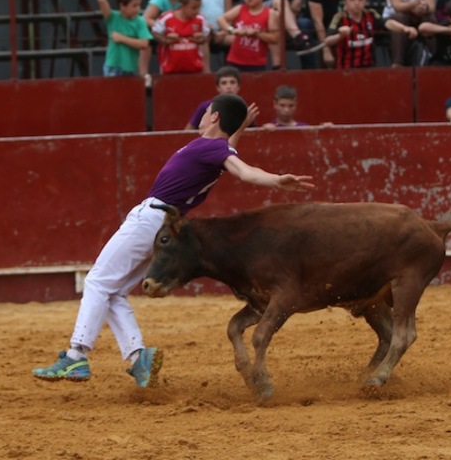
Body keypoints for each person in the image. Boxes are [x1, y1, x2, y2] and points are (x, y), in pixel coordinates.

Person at [31, 92, 313, 386]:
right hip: (161, 223)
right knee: (112, 291)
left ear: (214, 117)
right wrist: (240, 127)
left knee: (97, 282)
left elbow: (245, 171)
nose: (202, 115)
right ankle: (138, 357)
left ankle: (76, 355)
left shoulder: (212, 147)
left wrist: (275, 179)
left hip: (150, 218)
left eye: (207, 111)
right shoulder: (215, 149)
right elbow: (231, 153)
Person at [140, 0, 191, 83]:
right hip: (164, 32)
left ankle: (203, 69)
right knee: (145, 36)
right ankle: (143, 74)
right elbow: (146, 19)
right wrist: (165, 28)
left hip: (184, 30)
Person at [97, 0, 151, 78]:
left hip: (131, 68)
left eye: (139, 5)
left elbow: (144, 44)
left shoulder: (140, 21)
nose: (138, 9)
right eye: (134, 6)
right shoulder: (113, 17)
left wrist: (122, 38)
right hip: (113, 66)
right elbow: (101, 0)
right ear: (122, 6)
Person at [219, 0, 279, 72]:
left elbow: (275, 38)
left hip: (257, 63)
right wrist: (232, 30)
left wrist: (257, 33)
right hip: (234, 60)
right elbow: (221, 19)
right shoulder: (240, 9)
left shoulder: (270, 13)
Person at [324, 0, 385, 69]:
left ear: (366, 0)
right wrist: (340, 36)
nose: (357, 3)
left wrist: (403, 28)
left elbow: (387, 23)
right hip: (346, 69)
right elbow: (327, 41)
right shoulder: (339, 17)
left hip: (369, 68)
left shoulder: (371, 14)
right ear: (345, 1)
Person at [152, 0, 211, 74]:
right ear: (182, 5)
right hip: (169, 70)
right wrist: (165, 40)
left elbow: (208, 35)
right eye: (193, 8)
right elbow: (155, 32)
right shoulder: (167, 17)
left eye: (199, 7)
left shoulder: (200, 19)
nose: (197, 11)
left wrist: (202, 40)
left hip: (194, 69)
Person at [185, 66, 241, 130]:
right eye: (224, 83)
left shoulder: (244, 110)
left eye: (232, 82)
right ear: (218, 88)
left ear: (238, 86)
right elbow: (188, 131)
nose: (228, 86)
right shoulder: (205, 107)